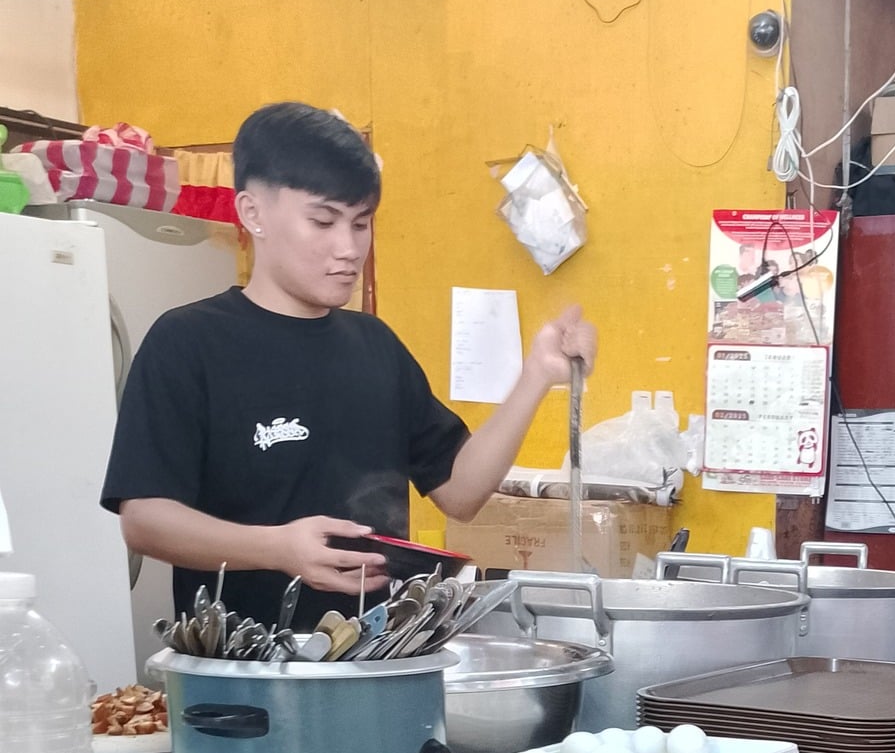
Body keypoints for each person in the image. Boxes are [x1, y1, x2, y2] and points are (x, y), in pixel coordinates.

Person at [101, 101, 596, 629]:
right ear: (252, 213)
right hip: (242, 686)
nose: (349, 248)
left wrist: (535, 376)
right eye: (323, 221)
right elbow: (146, 521)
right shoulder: (188, 343)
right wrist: (276, 548)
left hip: (379, 665)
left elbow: (462, 493)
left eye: (361, 224)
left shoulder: (375, 345)